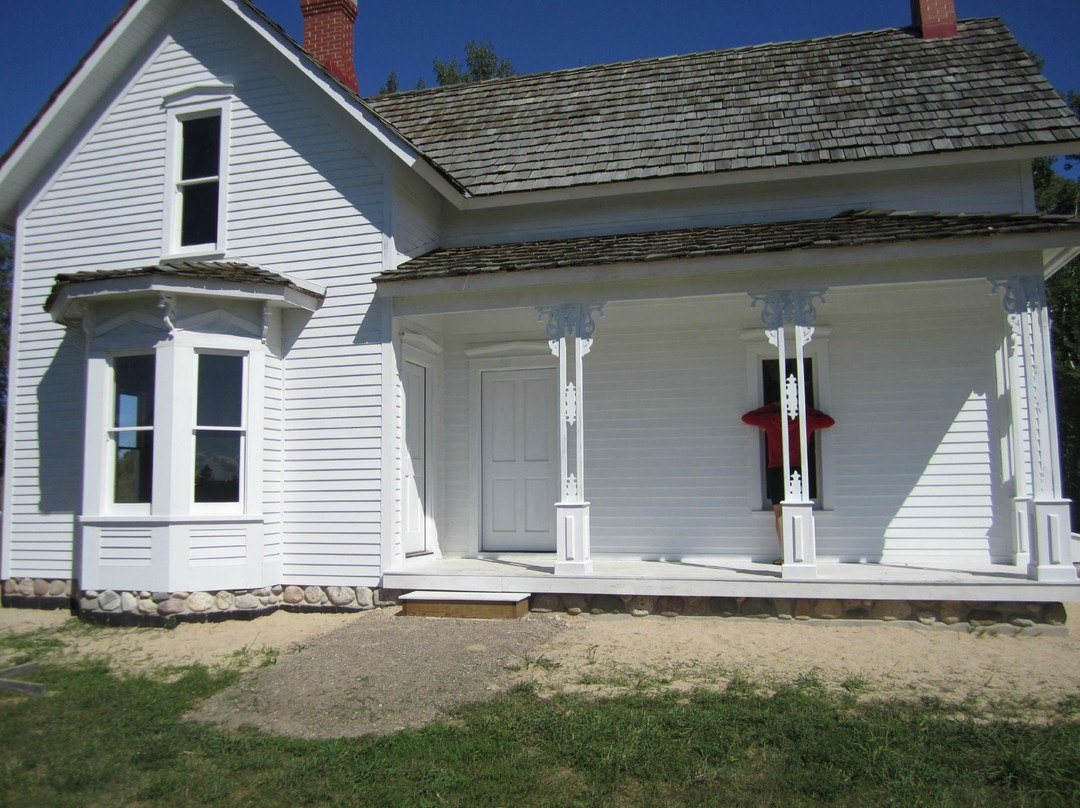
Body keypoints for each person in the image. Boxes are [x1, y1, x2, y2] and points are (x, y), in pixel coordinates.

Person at [742, 402, 835, 563]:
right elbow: (828, 421)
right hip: (798, 470)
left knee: (779, 513)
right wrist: (805, 408)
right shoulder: (806, 420)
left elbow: (747, 418)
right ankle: (800, 554)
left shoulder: (772, 419)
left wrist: (772, 407)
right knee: (800, 509)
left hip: (776, 470)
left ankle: (786, 555)